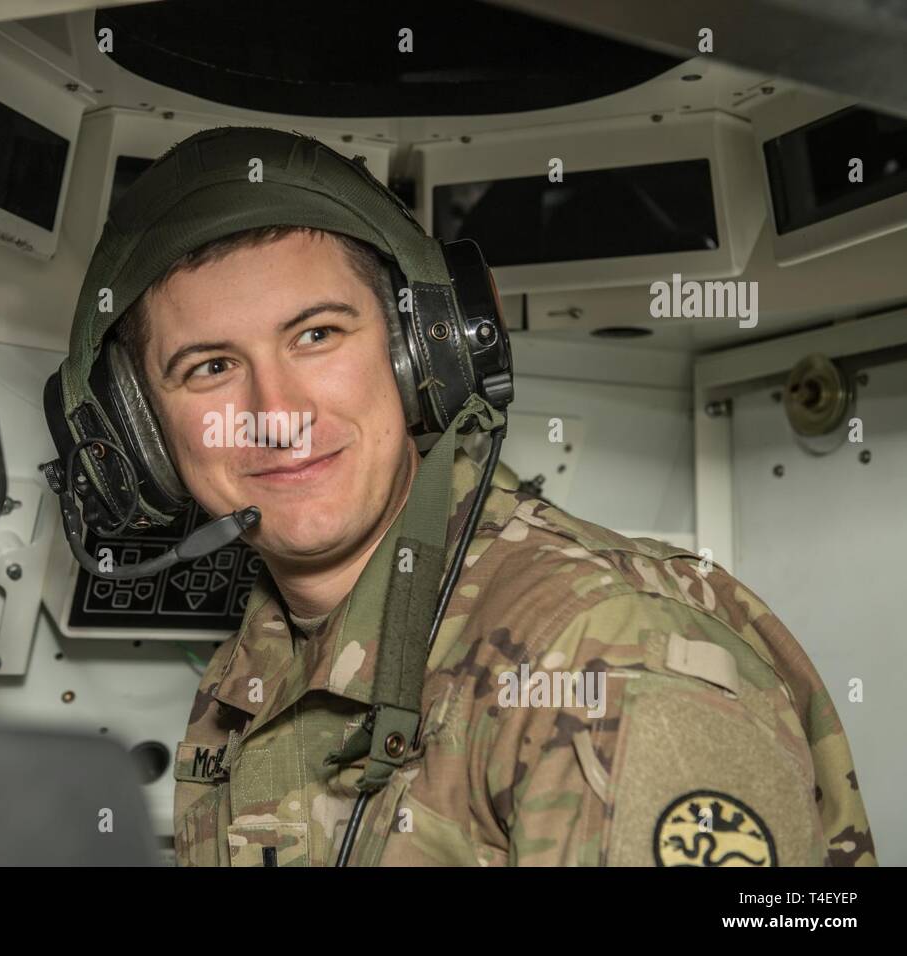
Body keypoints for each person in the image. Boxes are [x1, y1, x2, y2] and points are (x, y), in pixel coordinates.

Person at [50, 125, 875, 866]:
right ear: (141, 438)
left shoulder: (600, 660)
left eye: (318, 335)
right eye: (211, 368)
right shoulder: (254, 671)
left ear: (423, 353)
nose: (278, 416)